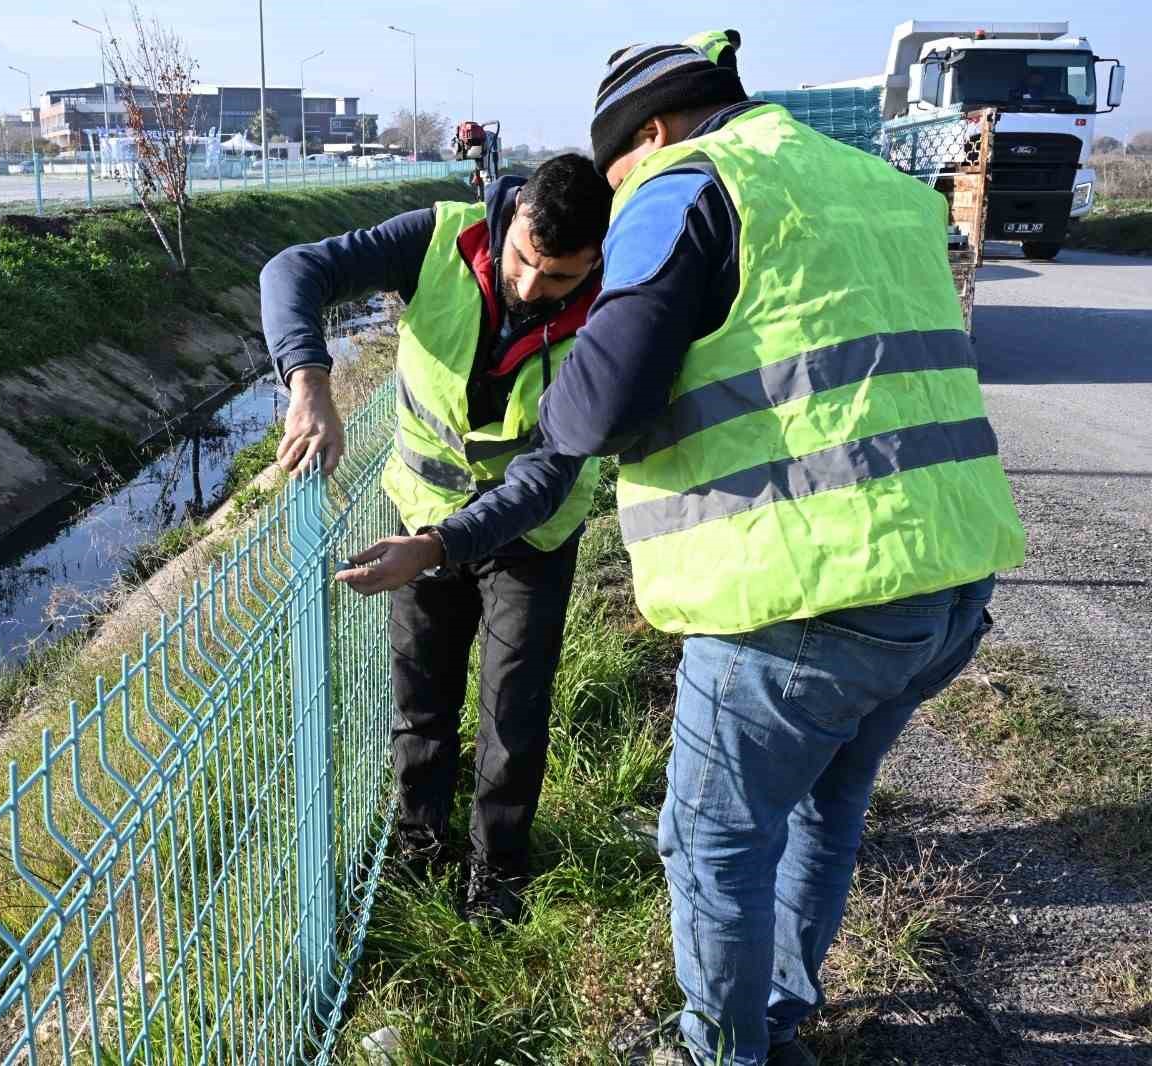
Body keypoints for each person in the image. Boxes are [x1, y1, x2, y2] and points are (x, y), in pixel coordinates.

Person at [334, 30, 1026, 1066]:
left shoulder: (685, 182)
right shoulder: (873, 185)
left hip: (799, 601)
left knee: (714, 846)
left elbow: (595, 412)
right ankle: (776, 1017)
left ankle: (719, 1051)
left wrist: (561, 372)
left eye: (614, 180)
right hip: (950, 582)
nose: (611, 217)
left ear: (646, 136)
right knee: (824, 816)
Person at [261, 155, 612, 926]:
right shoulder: (438, 240)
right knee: (419, 700)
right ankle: (419, 846)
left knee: (513, 717)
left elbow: (546, 477)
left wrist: (435, 547)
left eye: (557, 281)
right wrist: (310, 381)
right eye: (523, 260)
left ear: (595, 259)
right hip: (420, 509)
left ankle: (498, 876)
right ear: (511, 212)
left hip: (530, 537)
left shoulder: (616, 312)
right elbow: (292, 270)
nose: (529, 289)